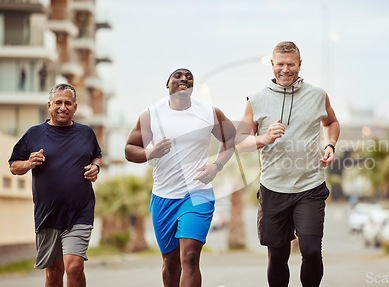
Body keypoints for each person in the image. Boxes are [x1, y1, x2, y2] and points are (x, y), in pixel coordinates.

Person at [236, 41, 340, 287]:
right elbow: (240, 142)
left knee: (311, 250)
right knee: (278, 256)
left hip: (310, 186)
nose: (285, 69)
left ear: (300, 64)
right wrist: (264, 138)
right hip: (274, 188)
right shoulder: (257, 100)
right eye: (280, 64)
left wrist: (330, 146)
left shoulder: (318, 95)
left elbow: (332, 122)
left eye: (290, 64)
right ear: (272, 65)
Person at [124, 67, 235, 287]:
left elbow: (230, 139)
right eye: (178, 76)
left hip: (198, 194)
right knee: (171, 263)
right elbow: (129, 149)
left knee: (190, 258)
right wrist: (151, 153)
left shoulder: (209, 113)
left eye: (189, 77)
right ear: (168, 84)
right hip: (163, 196)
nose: (184, 79)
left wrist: (216, 165)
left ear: (192, 86)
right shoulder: (152, 114)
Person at [9, 83, 102, 287]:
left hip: (80, 211)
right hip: (48, 214)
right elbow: (14, 166)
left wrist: (96, 167)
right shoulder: (34, 134)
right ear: (49, 105)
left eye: (68, 103)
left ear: (75, 107)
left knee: (74, 266)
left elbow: (97, 155)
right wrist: (28, 163)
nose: (63, 107)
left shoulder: (86, 133)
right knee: (54, 272)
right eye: (58, 102)